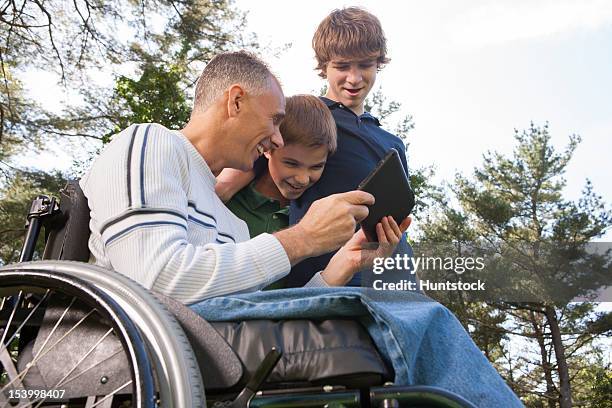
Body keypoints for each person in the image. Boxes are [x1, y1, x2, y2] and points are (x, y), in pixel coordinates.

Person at [80, 50, 410, 304]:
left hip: (219, 362)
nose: (278, 140)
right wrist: (303, 238)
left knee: (416, 317)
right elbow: (156, 280)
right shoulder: (151, 142)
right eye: (274, 120)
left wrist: (344, 265)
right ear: (236, 101)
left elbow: (259, 312)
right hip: (138, 359)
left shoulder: (231, 222)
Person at [216, 7, 415, 287]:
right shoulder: (301, 116)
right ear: (324, 67)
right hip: (316, 279)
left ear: (378, 64)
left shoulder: (392, 144)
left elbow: (398, 214)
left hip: (382, 277)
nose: (354, 78)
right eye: (343, 66)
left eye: (365, 65)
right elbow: (224, 185)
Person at [223, 95, 337, 289]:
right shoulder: (227, 200)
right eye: (291, 163)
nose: (303, 178)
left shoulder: (312, 220)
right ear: (268, 148)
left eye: (316, 167)